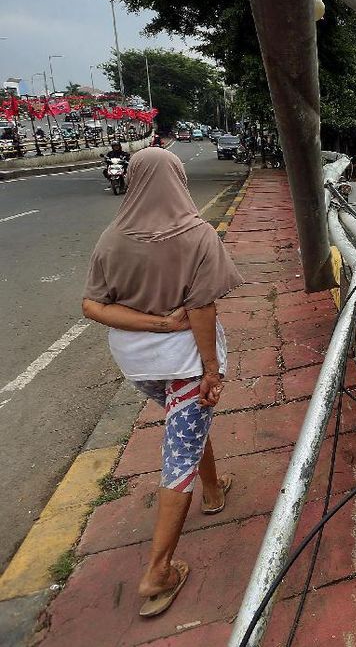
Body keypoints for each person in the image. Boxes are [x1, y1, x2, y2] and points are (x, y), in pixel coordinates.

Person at [81, 148, 243, 617]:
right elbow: (202, 310)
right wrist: (211, 369)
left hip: (136, 364)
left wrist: (149, 325)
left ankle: (213, 491)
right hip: (186, 361)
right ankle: (159, 569)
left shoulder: (112, 239)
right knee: (179, 454)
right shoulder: (197, 237)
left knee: (185, 423)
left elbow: (92, 306)